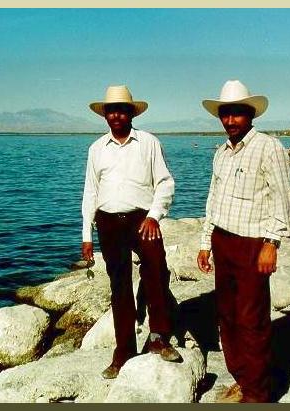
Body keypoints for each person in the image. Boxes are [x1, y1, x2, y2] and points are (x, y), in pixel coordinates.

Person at [197, 80, 290, 403]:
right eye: (225, 114)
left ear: (250, 114)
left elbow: (282, 197)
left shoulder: (269, 147)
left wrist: (272, 241)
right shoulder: (221, 153)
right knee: (227, 314)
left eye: (237, 114)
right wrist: (205, 242)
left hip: (252, 244)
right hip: (223, 241)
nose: (230, 121)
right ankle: (243, 378)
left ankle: (258, 394)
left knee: (253, 320)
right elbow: (213, 199)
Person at [82, 85, 182, 379]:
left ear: (129, 113)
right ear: (105, 115)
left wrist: (154, 216)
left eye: (121, 109)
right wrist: (86, 235)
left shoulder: (149, 143)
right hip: (108, 222)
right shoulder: (96, 149)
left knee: (157, 269)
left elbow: (164, 183)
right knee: (119, 285)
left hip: (142, 219)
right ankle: (123, 351)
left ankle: (159, 339)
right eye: (110, 110)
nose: (116, 115)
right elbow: (91, 192)